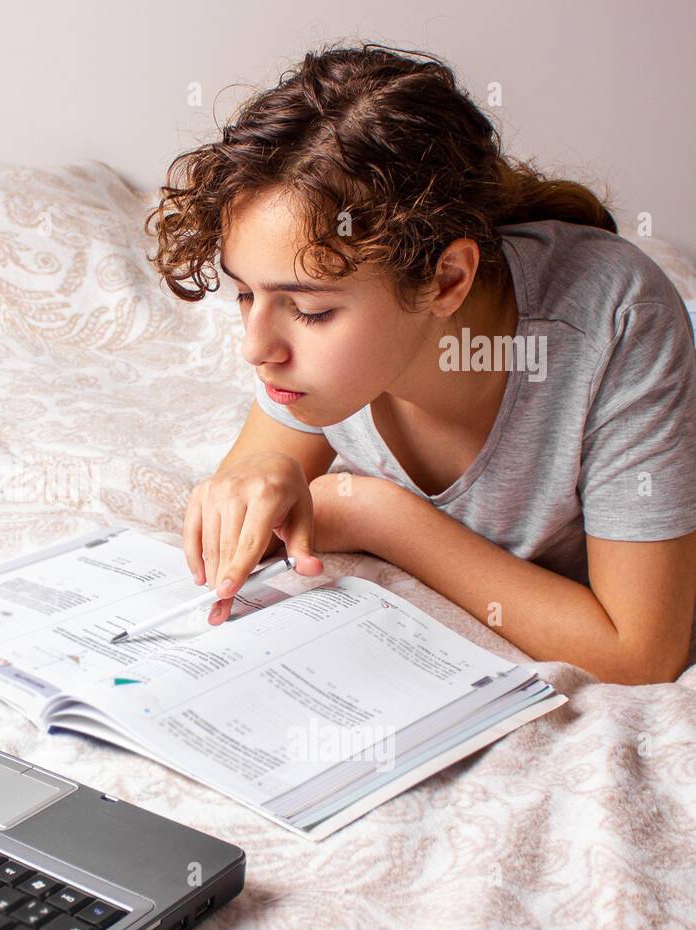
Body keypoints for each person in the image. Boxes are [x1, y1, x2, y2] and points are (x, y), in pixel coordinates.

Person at [144, 43, 696, 684]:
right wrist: (264, 473)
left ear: (446, 279)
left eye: (312, 311)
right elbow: (249, 520)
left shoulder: (613, 319)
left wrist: (379, 517)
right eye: (245, 294)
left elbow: (641, 653)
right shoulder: (306, 355)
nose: (256, 347)